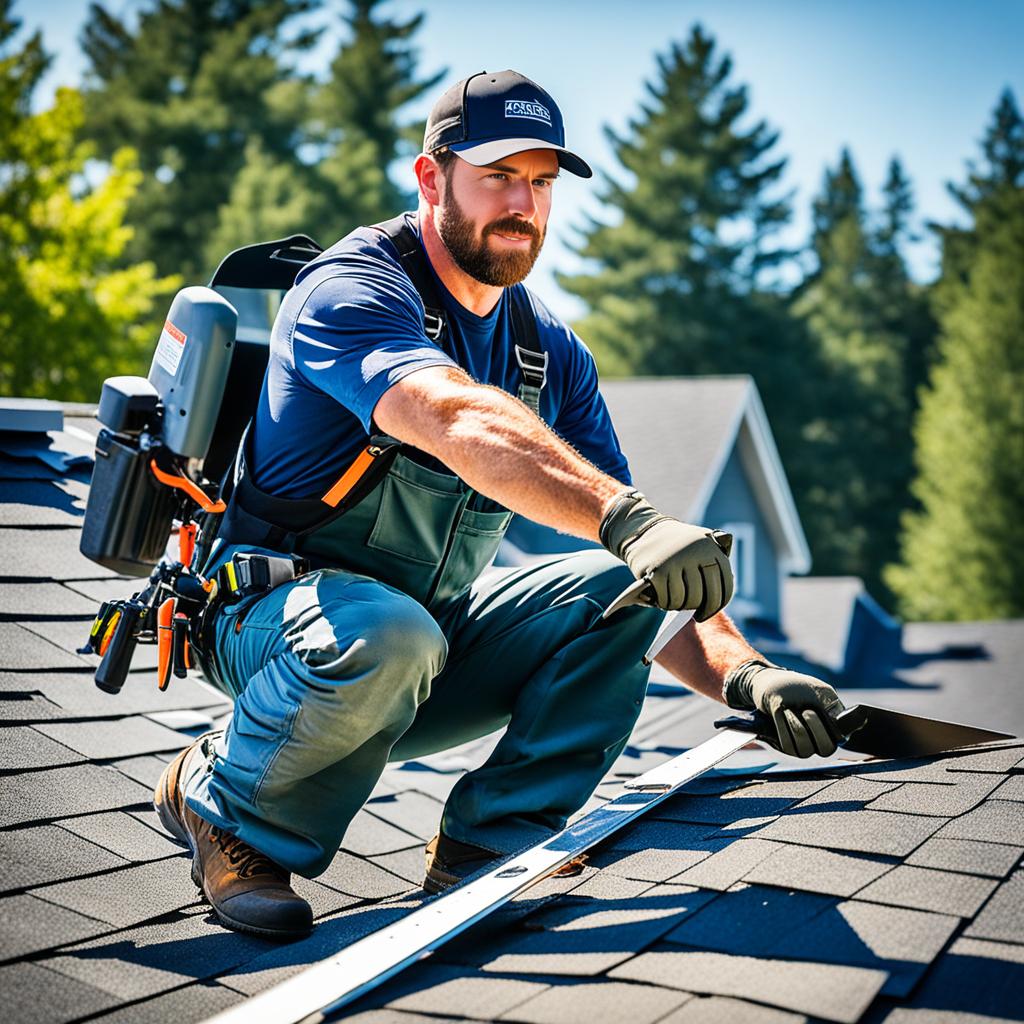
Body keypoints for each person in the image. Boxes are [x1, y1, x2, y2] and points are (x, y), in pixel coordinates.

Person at [154, 70, 846, 942]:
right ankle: (224, 806)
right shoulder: (350, 289)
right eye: (498, 176)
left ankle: (490, 847)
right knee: (391, 632)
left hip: (423, 647)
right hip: (271, 628)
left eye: (542, 182)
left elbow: (645, 552)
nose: (524, 204)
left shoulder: (547, 350)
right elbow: (452, 415)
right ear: (431, 177)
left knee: (622, 586)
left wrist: (747, 674)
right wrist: (628, 521)